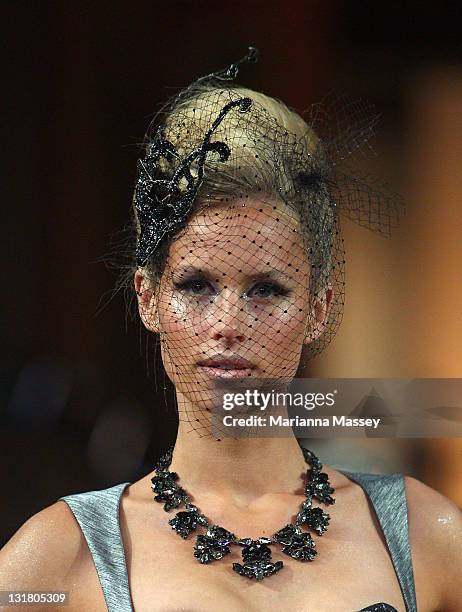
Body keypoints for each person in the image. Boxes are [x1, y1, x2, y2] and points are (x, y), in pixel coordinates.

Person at [1, 48, 460, 612]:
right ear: (149, 298)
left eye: (267, 289)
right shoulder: (57, 561)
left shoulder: (427, 538)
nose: (228, 325)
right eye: (196, 286)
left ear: (320, 306)